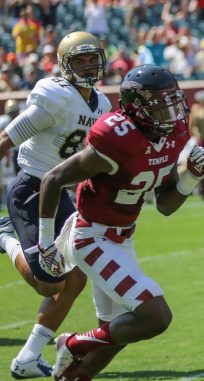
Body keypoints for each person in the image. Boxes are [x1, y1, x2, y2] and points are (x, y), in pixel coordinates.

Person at [41, 64, 204, 380]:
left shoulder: (174, 135)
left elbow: (165, 205)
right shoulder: (118, 137)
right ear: (136, 106)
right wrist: (44, 243)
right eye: (159, 103)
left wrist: (190, 178)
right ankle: (73, 343)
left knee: (117, 332)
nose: (170, 110)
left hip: (122, 239)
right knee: (155, 316)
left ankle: (71, 376)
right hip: (91, 237)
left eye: (172, 100)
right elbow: (53, 179)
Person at [0, 31, 110, 379]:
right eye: (80, 60)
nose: (89, 66)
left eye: (93, 59)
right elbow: (6, 138)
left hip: (61, 193)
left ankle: (29, 357)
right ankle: (4, 234)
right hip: (31, 189)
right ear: (64, 66)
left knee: (76, 274)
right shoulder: (55, 97)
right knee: (48, 282)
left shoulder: (103, 105)